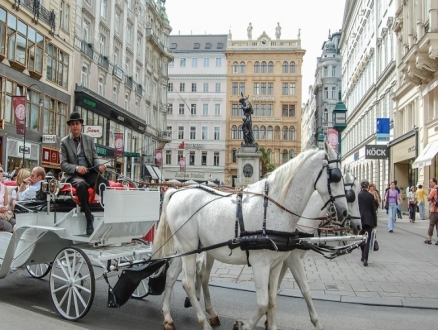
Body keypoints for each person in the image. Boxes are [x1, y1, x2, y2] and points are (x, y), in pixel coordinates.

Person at [60, 112, 108, 235]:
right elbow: (63, 164)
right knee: (81, 185)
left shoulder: (89, 139)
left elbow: (95, 158)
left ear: (81, 125)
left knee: (104, 183)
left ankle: (109, 212)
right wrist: (76, 168)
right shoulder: (64, 142)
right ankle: (89, 217)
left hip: (89, 171)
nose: (75, 126)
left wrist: (100, 165)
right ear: (70, 126)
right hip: (74, 175)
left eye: (77, 123)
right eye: (72, 124)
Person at [358, 180, 377, 266]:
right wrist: (375, 223)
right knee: (368, 239)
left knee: (361, 238)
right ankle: (365, 258)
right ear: (368, 187)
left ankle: (363, 255)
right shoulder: (370, 196)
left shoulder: (358, 195)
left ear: (361, 187)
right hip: (369, 220)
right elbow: (373, 210)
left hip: (360, 220)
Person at [0, 165, 16, 232]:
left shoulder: (4, 187)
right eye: (0, 171)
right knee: (8, 226)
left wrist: (5, 209)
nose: (2, 173)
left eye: (2, 171)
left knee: (16, 223)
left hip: (2, 214)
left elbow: (5, 204)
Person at [425, 178, 438, 245]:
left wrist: (428, 192)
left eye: (431, 182)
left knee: (431, 224)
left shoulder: (434, 190)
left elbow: (428, 198)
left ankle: (429, 239)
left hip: (434, 210)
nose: (430, 183)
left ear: (434, 182)